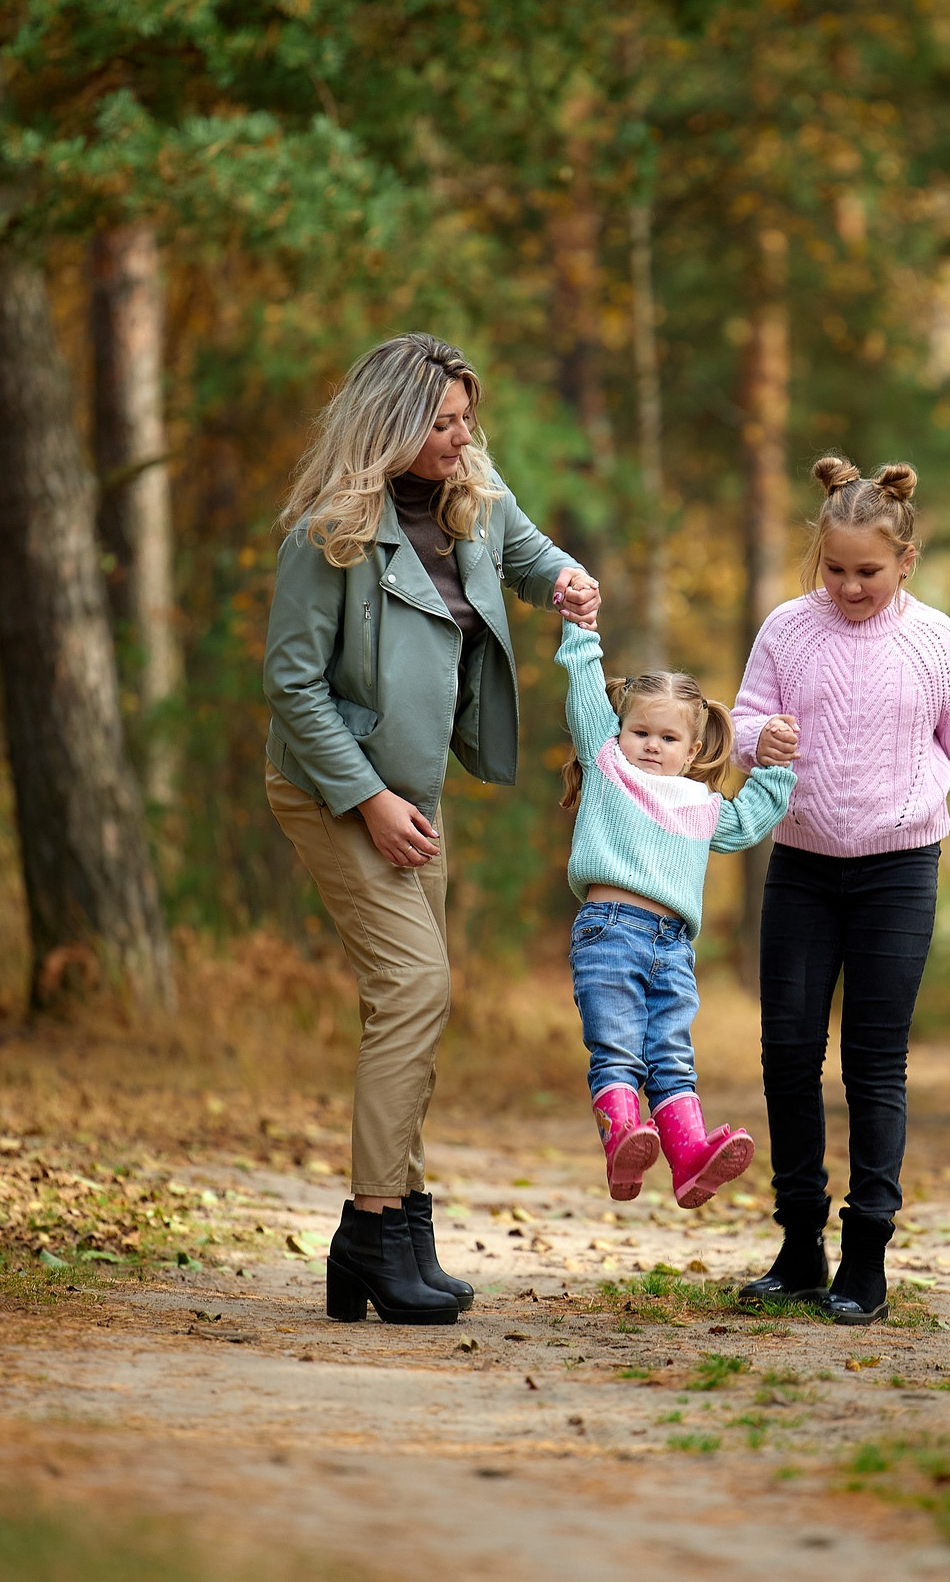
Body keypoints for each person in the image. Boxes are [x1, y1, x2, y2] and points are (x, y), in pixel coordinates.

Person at [263, 333, 599, 1326]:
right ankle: (372, 1230)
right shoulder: (329, 535)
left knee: (408, 1006)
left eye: (464, 420)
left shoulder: (474, 502)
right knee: (416, 986)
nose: (461, 438)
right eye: (442, 423)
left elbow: (536, 562)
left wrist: (569, 582)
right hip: (337, 794)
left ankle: (400, 1222)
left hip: (418, 797)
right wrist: (365, 799)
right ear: (393, 426)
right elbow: (289, 685)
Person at [729, 457, 950, 1324]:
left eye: (869, 570)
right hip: (802, 866)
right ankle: (799, 1242)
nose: (851, 586)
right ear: (817, 557)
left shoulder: (935, 641)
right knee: (787, 1050)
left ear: (906, 560)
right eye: (835, 569)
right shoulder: (787, 629)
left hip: (900, 868)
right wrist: (761, 735)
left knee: (873, 1060)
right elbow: (742, 720)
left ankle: (867, 1251)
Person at [554, 619, 797, 1209]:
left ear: (692, 752)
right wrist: (582, 629)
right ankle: (623, 1142)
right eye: (640, 731)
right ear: (620, 732)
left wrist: (774, 767)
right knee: (617, 1047)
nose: (651, 746)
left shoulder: (698, 802)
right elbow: (586, 694)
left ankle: (688, 1159)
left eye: (667, 738)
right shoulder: (610, 769)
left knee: (671, 1054)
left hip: (672, 949)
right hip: (609, 933)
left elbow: (747, 825)